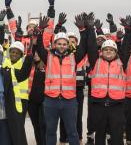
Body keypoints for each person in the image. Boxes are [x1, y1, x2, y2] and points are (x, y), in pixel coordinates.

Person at [34, 12, 91, 145]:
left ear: (68, 45)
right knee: (50, 131)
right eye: (59, 43)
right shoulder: (47, 57)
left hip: (69, 101)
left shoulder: (74, 57)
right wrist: (41, 30)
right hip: (51, 101)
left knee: (72, 132)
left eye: (64, 44)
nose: (62, 46)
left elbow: (83, 47)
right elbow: (39, 46)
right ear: (54, 44)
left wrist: (82, 30)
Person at [85, 16, 131, 145]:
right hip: (99, 105)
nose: (108, 52)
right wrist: (90, 29)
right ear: (101, 52)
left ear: (115, 52)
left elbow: (125, 47)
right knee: (100, 135)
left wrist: (128, 30)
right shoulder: (96, 61)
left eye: (111, 50)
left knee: (117, 136)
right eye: (106, 49)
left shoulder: (121, 62)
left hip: (116, 106)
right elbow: (91, 46)